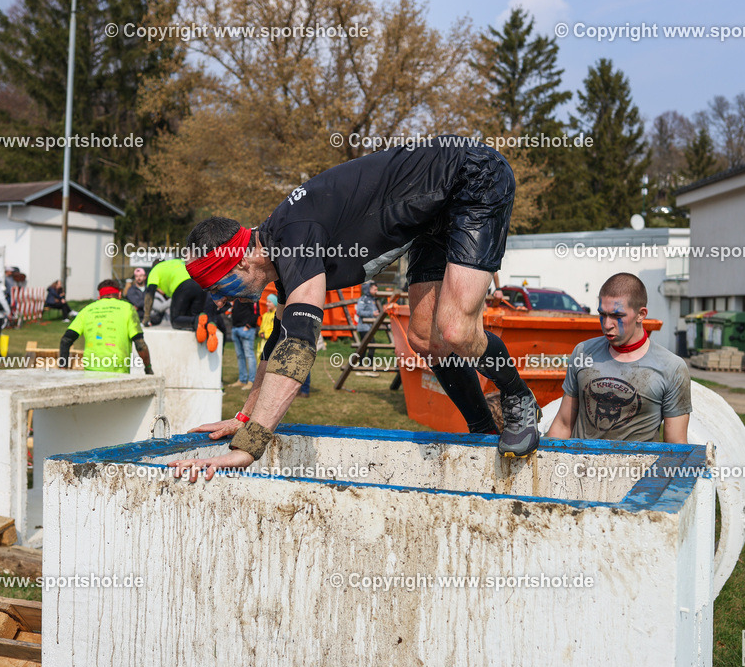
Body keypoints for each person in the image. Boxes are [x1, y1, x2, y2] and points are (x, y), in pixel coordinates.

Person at [170, 135, 540, 481]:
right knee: (426, 339)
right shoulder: (283, 254)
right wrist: (245, 418)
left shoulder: (295, 237)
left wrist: (249, 448)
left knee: (456, 328)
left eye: (218, 288)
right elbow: (277, 346)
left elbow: (299, 347)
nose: (221, 301)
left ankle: (518, 396)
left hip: (473, 177)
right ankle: (482, 429)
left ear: (240, 263)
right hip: (432, 214)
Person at [547, 273, 691, 443]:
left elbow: (675, 446)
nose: (607, 324)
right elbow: (563, 424)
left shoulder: (671, 368)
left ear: (641, 314)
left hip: (637, 468)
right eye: (602, 314)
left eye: (617, 316)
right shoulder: (583, 353)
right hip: (581, 466)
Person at [60, 279, 153, 374]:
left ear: (99, 297)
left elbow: (66, 340)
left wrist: (63, 370)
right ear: (119, 295)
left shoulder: (87, 310)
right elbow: (140, 344)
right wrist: (148, 368)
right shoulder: (128, 308)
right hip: (118, 370)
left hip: (91, 369)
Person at [145, 259, 216, 351]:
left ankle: (198, 321)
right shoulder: (176, 262)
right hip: (200, 284)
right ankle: (208, 325)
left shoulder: (155, 270)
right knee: (195, 320)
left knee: (176, 320)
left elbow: (150, 293)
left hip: (182, 286)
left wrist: (146, 317)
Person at [230, 299, 259, 389]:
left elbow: (256, 312)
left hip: (246, 330)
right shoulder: (237, 293)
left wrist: (248, 326)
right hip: (236, 328)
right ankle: (242, 380)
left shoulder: (252, 294)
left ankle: (251, 381)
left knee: (249, 355)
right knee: (240, 356)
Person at [354, 281, 381, 372]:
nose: (377, 291)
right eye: (375, 289)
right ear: (368, 289)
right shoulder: (363, 299)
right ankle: (366, 365)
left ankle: (364, 365)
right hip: (363, 327)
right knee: (369, 345)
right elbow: (359, 312)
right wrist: (372, 314)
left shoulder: (374, 300)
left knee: (366, 346)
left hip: (370, 327)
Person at [256, 293, 278, 361]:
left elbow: (275, 330)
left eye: (269, 302)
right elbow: (262, 327)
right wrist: (261, 333)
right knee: (260, 358)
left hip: (271, 342)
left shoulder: (277, 315)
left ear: (275, 303)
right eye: (267, 301)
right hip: (263, 342)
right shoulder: (265, 315)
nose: (267, 304)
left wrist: (266, 335)